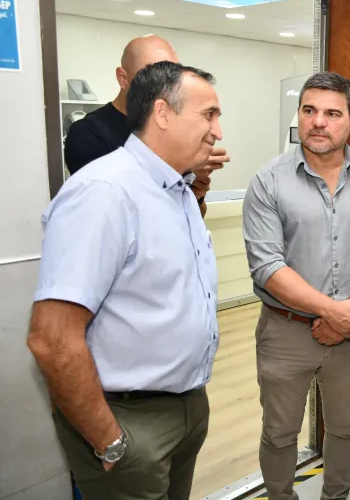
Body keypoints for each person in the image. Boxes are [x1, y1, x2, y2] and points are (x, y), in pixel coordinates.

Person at [27, 61, 224, 500]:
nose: (218, 131)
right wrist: (110, 441)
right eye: (208, 115)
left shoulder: (178, 191)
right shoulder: (105, 192)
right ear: (162, 113)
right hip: (129, 418)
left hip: (186, 405)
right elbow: (51, 339)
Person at [242, 71, 350, 500]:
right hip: (285, 331)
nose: (318, 122)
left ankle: (336, 497)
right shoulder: (268, 180)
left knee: (346, 429)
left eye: (332, 113)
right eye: (309, 110)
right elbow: (267, 265)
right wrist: (332, 312)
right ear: (299, 114)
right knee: (279, 433)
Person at [63, 34, 228, 216]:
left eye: (173, 75)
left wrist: (193, 188)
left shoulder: (171, 133)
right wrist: (179, 173)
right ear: (123, 78)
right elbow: (111, 213)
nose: (166, 85)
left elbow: (189, 219)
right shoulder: (88, 134)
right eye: (152, 75)